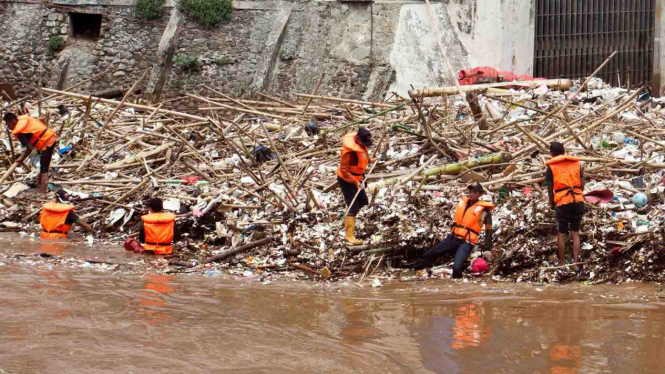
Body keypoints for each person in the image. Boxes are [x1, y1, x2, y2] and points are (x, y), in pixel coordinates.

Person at [412, 183, 494, 278]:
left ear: (480, 194)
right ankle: (416, 273)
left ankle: (458, 286)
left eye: (474, 192)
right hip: (453, 238)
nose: (471, 194)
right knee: (428, 255)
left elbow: (489, 229)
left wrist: (487, 248)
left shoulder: (484, 210)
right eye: (470, 192)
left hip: (467, 242)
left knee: (457, 268)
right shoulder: (463, 202)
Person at [545, 142, 585, 272]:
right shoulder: (577, 164)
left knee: (561, 233)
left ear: (551, 153)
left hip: (563, 201)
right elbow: (582, 184)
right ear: (563, 151)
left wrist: (552, 203)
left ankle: (562, 264)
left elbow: (550, 189)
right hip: (578, 199)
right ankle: (575, 263)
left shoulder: (551, 167)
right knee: (575, 232)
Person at [3, 113, 57, 198]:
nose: (9, 127)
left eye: (8, 124)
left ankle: (43, 193)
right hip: (49, 136)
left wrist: (20, 158)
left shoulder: (20, 132)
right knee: (42, 165)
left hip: (47, 141)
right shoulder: (24, 120)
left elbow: (29, 148)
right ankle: (39, 184)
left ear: (13, 120)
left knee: (44, 168)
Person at [336, 127, 373, 245]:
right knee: (353, 206)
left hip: (357, 178)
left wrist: (371, 160)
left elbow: (361, 159)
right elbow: (344, 170)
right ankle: (349, 236)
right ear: (358, 139)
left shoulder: (361, 146)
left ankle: (352, 221)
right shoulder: (349, 152)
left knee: (363, 201)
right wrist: (355, 182)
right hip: (347, 179)